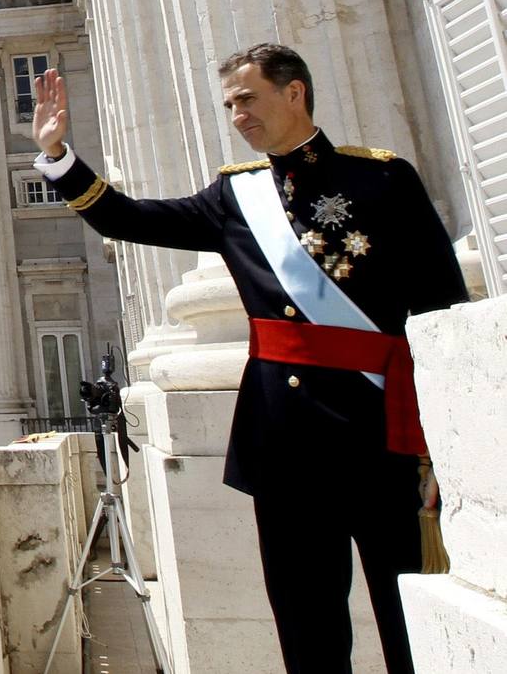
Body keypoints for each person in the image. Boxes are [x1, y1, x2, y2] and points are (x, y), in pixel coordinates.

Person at [29, 43, 466, 673]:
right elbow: (127, 218)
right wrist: (57, 156)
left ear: (295, 93)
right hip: (284, 443)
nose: (238, 116)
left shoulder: (384, 180)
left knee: (411, 621)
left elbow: (440, 311)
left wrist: (442, 439)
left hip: (381, 435)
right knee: (307, 626)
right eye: (230, 105)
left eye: (248, 99)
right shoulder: (236, 196)